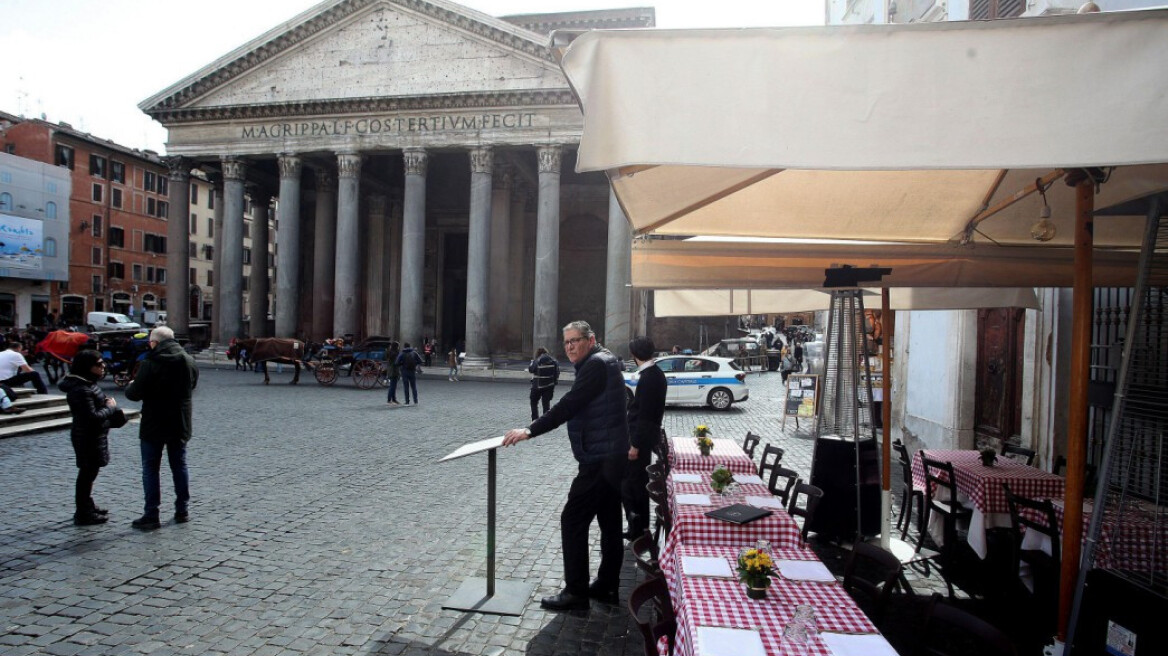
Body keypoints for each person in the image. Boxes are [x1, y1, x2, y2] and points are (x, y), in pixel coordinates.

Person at [503, 320, 628, 611]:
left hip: (599, 458)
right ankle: (607, 585)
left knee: (572, 519)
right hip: (611, 455)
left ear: (591, 339)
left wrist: (530, 430)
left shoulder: (596, 365)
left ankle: (576, 592)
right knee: (609, 521)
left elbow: (569, 404)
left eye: (575, 341)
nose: (570, 347)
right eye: (567, 342)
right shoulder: (605, 360)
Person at [124, 326, 199, 530]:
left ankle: (151, 514)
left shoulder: (150, 362)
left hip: (154, 422)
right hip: (180, 422)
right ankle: (182, 510)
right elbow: (192, 386)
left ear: (154, 343)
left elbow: (134, 394)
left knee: (150, 468)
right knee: (179, 466)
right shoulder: (189, 361)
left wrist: (130, 384)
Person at [59, 350, 118, 526]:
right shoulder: (80, 389)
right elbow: (91, 417)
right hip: (87, 436)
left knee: (90, 473)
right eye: (99, 364)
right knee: (86, 474)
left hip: (94, 435)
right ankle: (83, 512)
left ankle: (87, 505)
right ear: (88, 367)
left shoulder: (88, 384)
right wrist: (110, 408)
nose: (103, 367)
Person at [621, 336, 667, 540]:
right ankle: (639, 527)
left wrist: (635, 445)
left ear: (634, 355)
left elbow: (645, 416)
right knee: (634, 484)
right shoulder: (653, 374)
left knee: (633, 486)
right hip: (644, 438)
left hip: (640, 441)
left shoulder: (649, 377)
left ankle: (637, 528)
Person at [527, 346, 558, 420]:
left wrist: (532, 362)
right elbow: (556, 373)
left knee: (533, 403)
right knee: (546, 405)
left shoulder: (537, 361)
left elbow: (531, 369)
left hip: (537, 386)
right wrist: (554, 383)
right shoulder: (553, 361)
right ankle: (545, 422)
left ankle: (535, 420)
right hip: (549, 386)